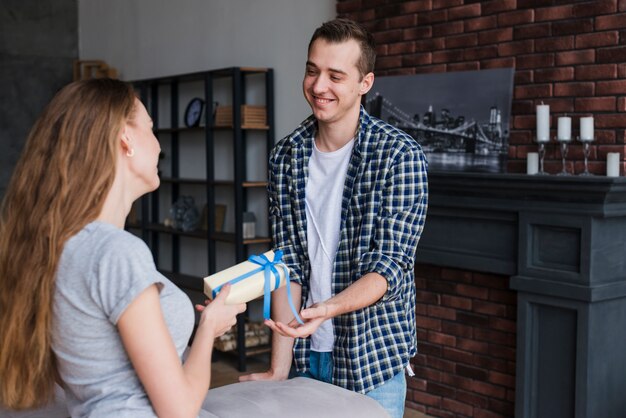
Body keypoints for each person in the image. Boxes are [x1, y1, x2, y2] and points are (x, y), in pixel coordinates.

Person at [0, 78, 245, 417]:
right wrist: (209, 329)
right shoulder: (116, 252)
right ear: (125, 138)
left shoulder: (57, 244)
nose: (159, 146)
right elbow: (180, 410)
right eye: (150, 128)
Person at [241, 18, 428, 418]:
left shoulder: (400, 156)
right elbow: (287, 261)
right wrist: (279, 365)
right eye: (312, 70)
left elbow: (390, 267)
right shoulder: (285, 156)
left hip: (371, 358)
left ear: (365, 82)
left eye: (335, 76)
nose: (318, 86)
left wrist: (326, 309)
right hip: (307, 355)